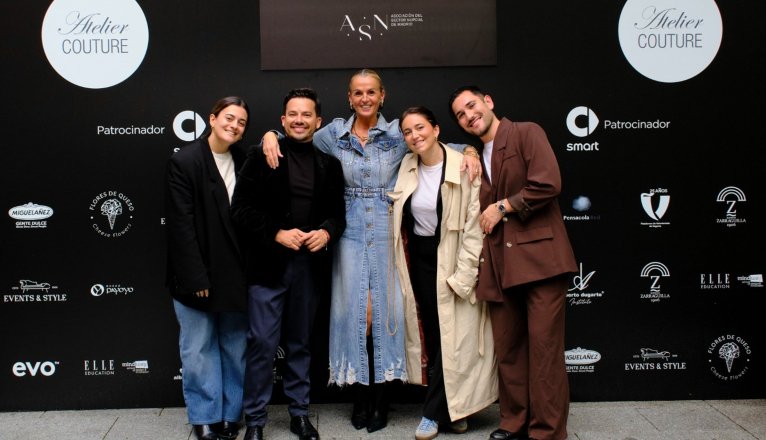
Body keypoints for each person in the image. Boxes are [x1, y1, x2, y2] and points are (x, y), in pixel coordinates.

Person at [261, 69, 481, 433]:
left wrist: (469, 150)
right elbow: (297, 136)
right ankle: (360, 397)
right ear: (350, 98)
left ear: (382, 96)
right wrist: (270, 134)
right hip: (346, 232)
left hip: (388, 230)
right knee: (355, 316)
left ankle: (381, 400)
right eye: (358, 93)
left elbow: (438, 146)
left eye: (371, 92)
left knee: (384, 313)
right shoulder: (333, 135)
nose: (365, 98)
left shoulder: (398, 133)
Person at [448, 86, 578, 440]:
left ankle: (546, 431)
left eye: (472, 106)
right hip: (499, 266)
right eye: (460, 114)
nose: (469, 115)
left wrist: (503, 206)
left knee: (545, 351)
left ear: (488, 102)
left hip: (540, 263)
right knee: (508, 350)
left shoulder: (526, 133)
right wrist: (469, 151)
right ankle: (514, 422)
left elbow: (548, 183)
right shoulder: (475, 155)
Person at [231, 88, 346, 440]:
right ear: (283, 120)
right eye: (293, 114)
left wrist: (326, 232)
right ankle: (255, 421)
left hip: (309, 269)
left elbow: (338, 216)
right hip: (267, 268)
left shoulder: (330, 165)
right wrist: (276, 233)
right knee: (262, 345)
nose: (299, 120)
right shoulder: (261, 155)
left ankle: (299, 414)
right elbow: (240, 210)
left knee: (300, 344)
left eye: (306, 114)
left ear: (318, 121)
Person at [389, 107, 498, 440]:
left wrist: (463, 276)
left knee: (457, 339)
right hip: (420, 260)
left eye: (420, 128)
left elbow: (474, 229)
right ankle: (454, 410)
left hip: (452, 260)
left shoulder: (464, 166)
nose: (414, 136)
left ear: (436, 130)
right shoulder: (407, 165)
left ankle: (432, 414)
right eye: (407, 131)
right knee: (437, 337)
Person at [165, 96, 251, 440]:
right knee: (198, 350)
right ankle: (204, 417)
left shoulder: (244, 160)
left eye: (241, 122)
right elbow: (180, 225)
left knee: (235, 347)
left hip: (236, 273)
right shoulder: (185, 161)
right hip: (196, 275)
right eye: (229, 118)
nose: (234, 125)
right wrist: (194, 276)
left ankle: (230, 415)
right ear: (212, 119)